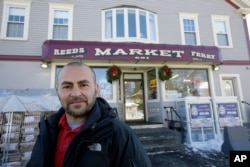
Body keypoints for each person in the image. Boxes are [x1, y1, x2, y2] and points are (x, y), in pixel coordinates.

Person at [26, 62, 152, 167]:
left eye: (83, 85)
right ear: (58, 91)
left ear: (96, 89)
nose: (75, 93)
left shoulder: (119, 134)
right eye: (67, 86)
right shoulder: (47, 131)